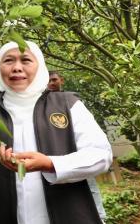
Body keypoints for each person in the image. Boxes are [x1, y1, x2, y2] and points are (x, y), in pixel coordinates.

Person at [0, 41, 112, 224]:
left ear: (40, 66)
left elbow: (101, 155)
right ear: (0, 67)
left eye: (26, 60)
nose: (17, 67)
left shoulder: (67, 104)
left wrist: (50, 164)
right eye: (8, 60)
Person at [47, 70, 107, 221]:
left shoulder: (71, 101)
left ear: (62, 80)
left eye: (54, 79)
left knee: (90, 187)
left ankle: (100, 217)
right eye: (48, 81)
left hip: (80, 156)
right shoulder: (45, 106)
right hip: (56, 160)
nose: (51, 83)